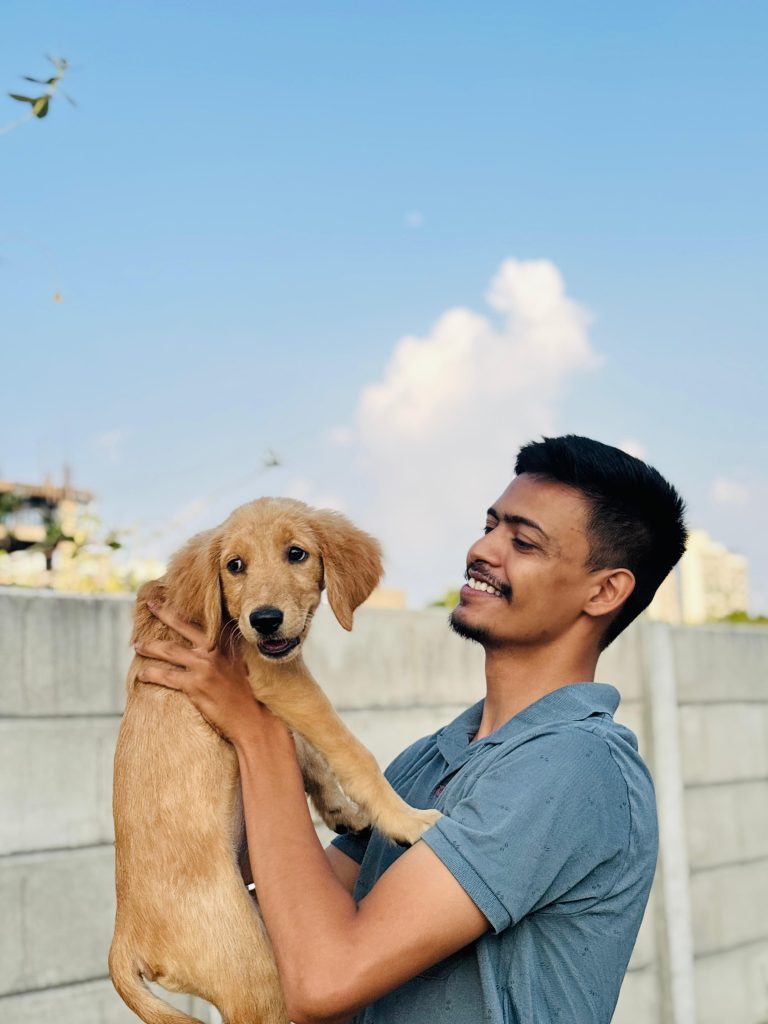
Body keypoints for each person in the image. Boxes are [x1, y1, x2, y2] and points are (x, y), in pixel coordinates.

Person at [137, 434, 687, 1024]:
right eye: (490, 526)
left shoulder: (574, 768)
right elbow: (297, 919)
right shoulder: (430, 761)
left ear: (604, 591)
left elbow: (323, 979)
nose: (482, 548)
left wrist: (256, 726)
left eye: (523, 541)